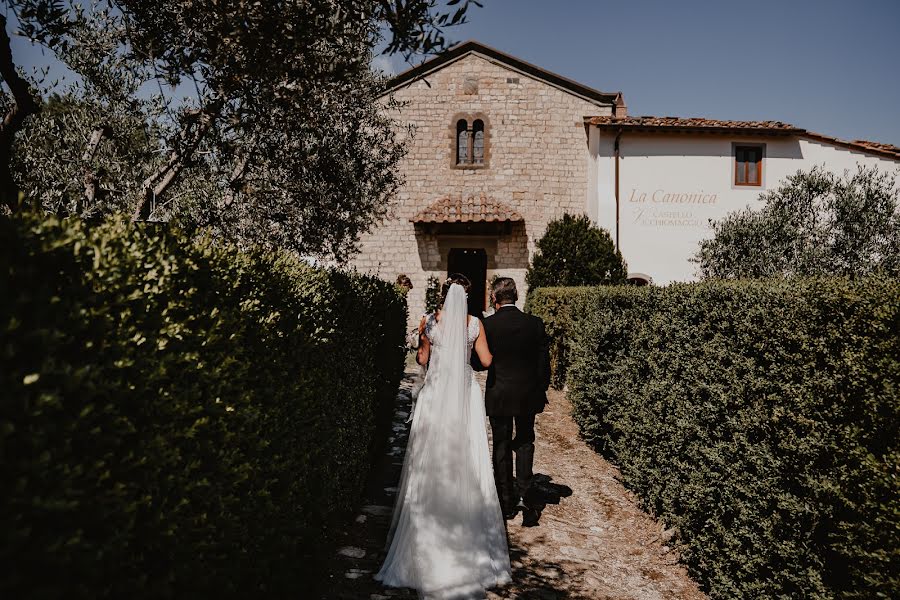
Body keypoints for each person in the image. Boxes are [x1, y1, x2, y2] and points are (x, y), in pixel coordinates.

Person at [376, 274, 511, 599]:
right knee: (469, 457)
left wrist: (430, 348)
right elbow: (488, 360)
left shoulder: (428, 322)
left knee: (427, 458)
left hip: (435, 395)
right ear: (466, 295)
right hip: (464, 397)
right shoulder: (474, 324)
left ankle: (423, 539)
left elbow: (422, 359)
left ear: (442, 294)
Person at [473, 277, 551, 526]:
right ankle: (526, 497)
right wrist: (540, 391)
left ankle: (506, 503)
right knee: (526, 440)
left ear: (494, 299)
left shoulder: (488, 325)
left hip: (500, 393)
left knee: (501, 445)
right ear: (516, 296)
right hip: (528, 394)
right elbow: (544, 365)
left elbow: (478, 363)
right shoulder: (534, 324)